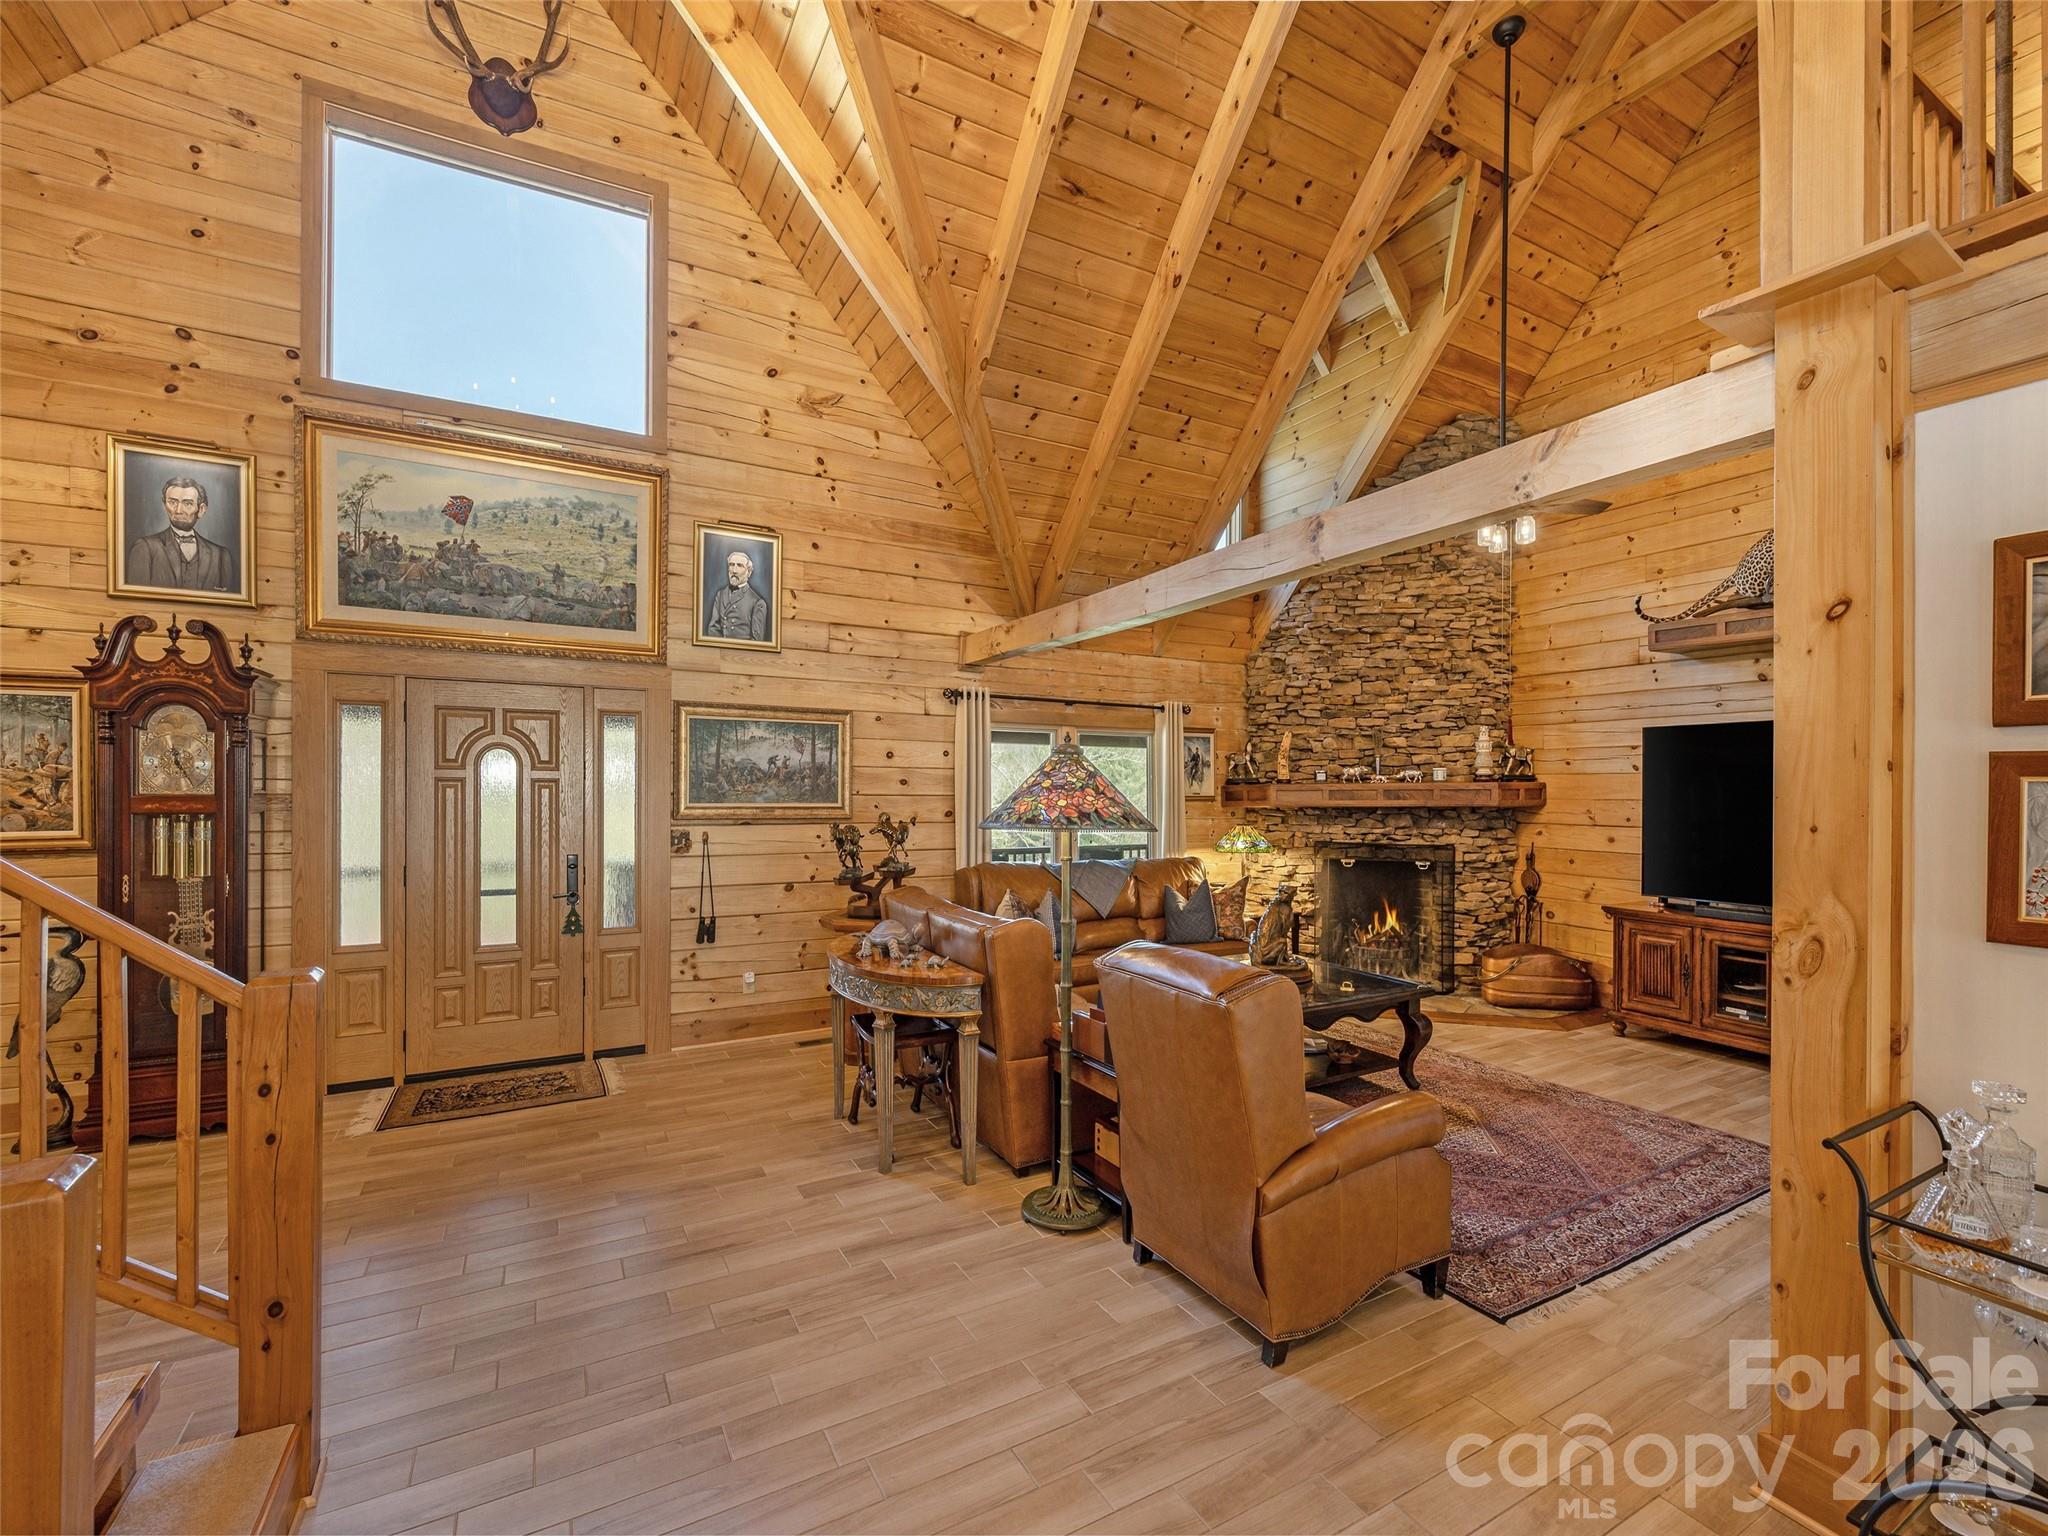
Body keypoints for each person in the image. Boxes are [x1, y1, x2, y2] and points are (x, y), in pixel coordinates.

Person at [126, 476, 234, 593]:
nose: (178, 510)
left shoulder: (221, 556)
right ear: (164, 506)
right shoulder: (145, 548)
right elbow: (136, 599)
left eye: (187, 504)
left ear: (201, 509)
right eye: (172, 502)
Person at [704, 547, 770, 642]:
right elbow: (713, 628)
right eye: (731, 565)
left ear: (749, 572)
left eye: (739, 565)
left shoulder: (758, 603)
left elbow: (757, 641)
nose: (734, 570)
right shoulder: (720, 594)